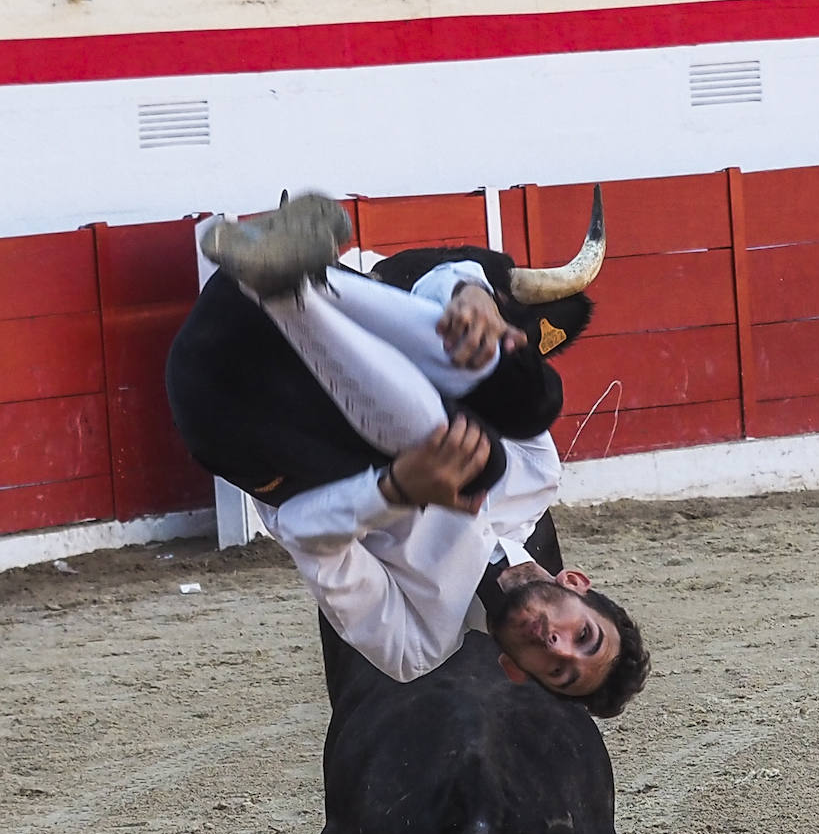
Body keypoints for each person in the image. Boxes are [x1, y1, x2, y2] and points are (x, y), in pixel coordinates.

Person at [166, 192, 649, 716]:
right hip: (267, 313)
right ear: (574, 584)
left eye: (557, 669)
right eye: (584, 636)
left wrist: (397, 490)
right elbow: (436, 298)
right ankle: (292, 279)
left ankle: (293, 287)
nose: (556, 643)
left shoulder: (414, 643)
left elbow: (304, 533)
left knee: (478, 465)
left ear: (516, 671)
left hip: (239, 411)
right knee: (532, 399)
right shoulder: (536, 479)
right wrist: (472, 294)